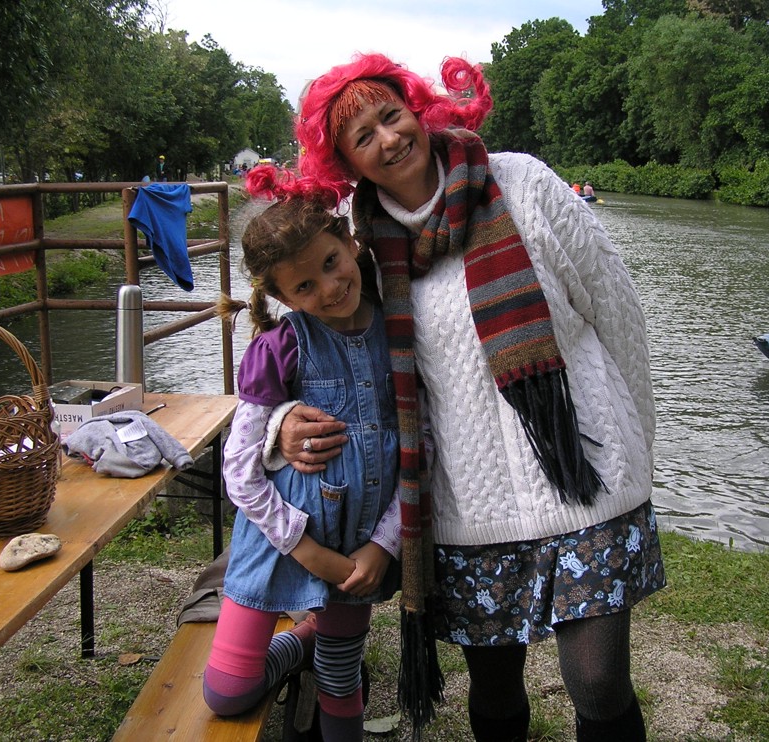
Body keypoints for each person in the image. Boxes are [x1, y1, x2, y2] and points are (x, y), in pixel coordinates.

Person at [275, 53, 665, 742]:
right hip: (468, 505)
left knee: (598, 683)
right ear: (346, 163)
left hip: (589, 474)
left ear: (417, 108)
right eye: (363, 136)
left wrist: (638, 443)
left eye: (391, 115)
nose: (388, 138)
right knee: (493, 688)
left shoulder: (524, 183)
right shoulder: (356, 246)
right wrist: (280, 423)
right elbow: (309, 349)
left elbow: (618, 313)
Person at [203, 168, 401, 741]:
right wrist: (306, 550)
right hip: (278, 544)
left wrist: (384, 544)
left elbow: (424, 446)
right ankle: (301, 641)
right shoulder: (279, 348)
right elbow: (240, 471)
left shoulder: (401, 333)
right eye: (305, 287)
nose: (330, 288)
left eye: (331, 263)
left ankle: (323, 647)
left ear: (349, 242)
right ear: (282, 297)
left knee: (341, 682)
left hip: (357, 545)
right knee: (228, 691)